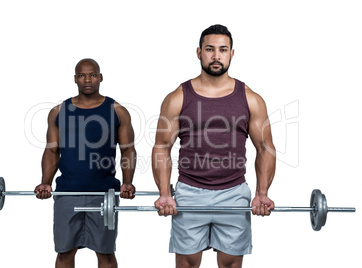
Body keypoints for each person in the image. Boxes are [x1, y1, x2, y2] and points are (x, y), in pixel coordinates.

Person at [152, 25, 276, 268]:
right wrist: (165, 194)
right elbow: (161, 147)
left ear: (231, 54)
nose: (216, 56)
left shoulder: (250, 98)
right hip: (189, 192)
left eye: (222, 50)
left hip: (233, 192)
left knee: (231, 264)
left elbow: (265, 148)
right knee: (186, 264)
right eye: (210, 49)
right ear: (199, 53)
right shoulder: (178, 97)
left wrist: (262, 193)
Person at [34, 58, 137, 268]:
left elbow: (127, 150)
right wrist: (45, 182)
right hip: (67, 193)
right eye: (82, 75)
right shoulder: (59, 111)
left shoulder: (117, 111)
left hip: (104, 194)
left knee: (105, 253)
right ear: (75, 79)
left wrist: (127, 182)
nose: (87, 79)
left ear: (100, 77)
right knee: (64, 252)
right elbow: (52, 150)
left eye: (92, 75)